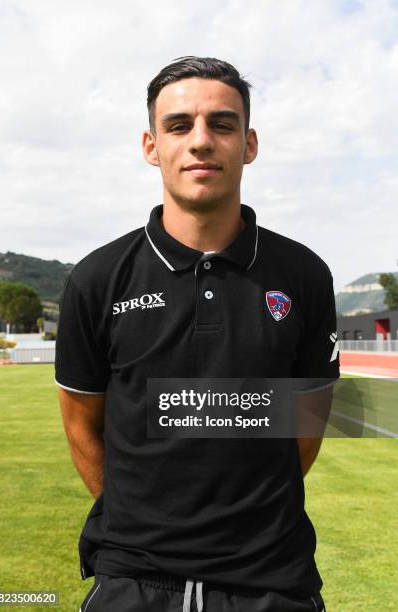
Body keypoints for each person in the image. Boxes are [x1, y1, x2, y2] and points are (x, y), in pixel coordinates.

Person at [55, 56, 339, 612]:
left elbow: (306, 430)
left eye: (222, 124)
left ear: (249, 144)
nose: (201, 141)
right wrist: (142, 522)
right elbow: (81, 424)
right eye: (179, 125)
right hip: (132, 583)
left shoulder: (304, 274)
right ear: (151, 146)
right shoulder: (97, 277)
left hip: (270, 582)